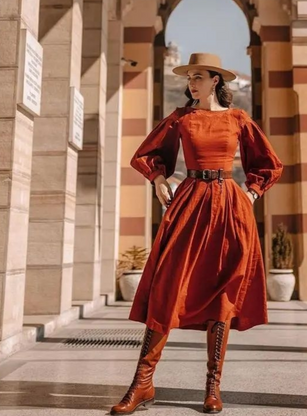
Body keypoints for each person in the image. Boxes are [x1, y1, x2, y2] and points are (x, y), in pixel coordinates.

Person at [110, 53, 284, 415]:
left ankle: (212, 387)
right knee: (168, 287)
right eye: (189, 77)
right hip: (189, 203)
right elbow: (147, 154)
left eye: (198, 76)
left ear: (215, 81)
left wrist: (251, 193)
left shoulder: (238, 119)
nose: (192, 82)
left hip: (229, 208)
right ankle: (142, 383)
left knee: (223, 295)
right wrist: (158, 177)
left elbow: (268, 163)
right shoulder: (181, 118)